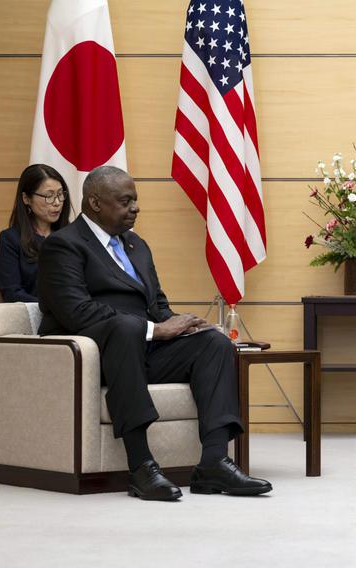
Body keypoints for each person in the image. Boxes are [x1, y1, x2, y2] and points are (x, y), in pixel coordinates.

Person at [36, 166, 271, 501]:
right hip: (95, 355)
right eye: (125, 201)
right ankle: (142, 467)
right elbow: (76, 312)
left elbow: (156, 303)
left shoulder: (136, 244)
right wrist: (155, 329)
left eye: (135, 201)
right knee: (126, 328)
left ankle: (214, 462)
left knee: (214, 343)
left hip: (143, 347)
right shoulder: (64, 246)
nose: (135, 208)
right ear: (96, 203)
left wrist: (181, 324)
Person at [0, 164, 71, 302]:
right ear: (26, 198)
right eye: (49, 196)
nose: (57, 202)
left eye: (60, 194)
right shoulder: (11, 239)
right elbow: (12, 292)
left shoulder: (72, 235)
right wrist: (53, 308)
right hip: (34, 316)